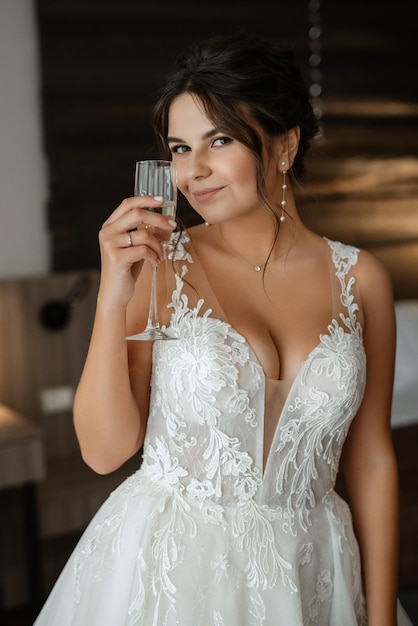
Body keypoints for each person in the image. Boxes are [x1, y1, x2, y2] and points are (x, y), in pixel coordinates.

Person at [33, 32, 413, 625]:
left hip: (314, 573)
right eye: (180, 148)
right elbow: (105, 452)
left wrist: (383, 615)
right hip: (173, 578)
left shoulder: (362, 279)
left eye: (220, 140)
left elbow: (370, 460)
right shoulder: (160, 269)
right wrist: (113, 295)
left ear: (283, 147)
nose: (194, 171)